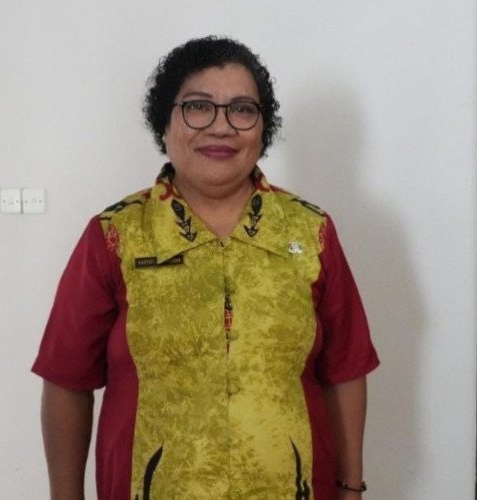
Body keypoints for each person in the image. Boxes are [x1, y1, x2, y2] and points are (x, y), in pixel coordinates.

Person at [32, 36, 379, 500]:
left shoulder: (311, 233)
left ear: (263, 128)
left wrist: (351, 488)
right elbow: (66, 380)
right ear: (164, 123)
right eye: (198, 107)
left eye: (242, 110)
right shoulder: (117, 236)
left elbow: (345, 369)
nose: (221, 127)